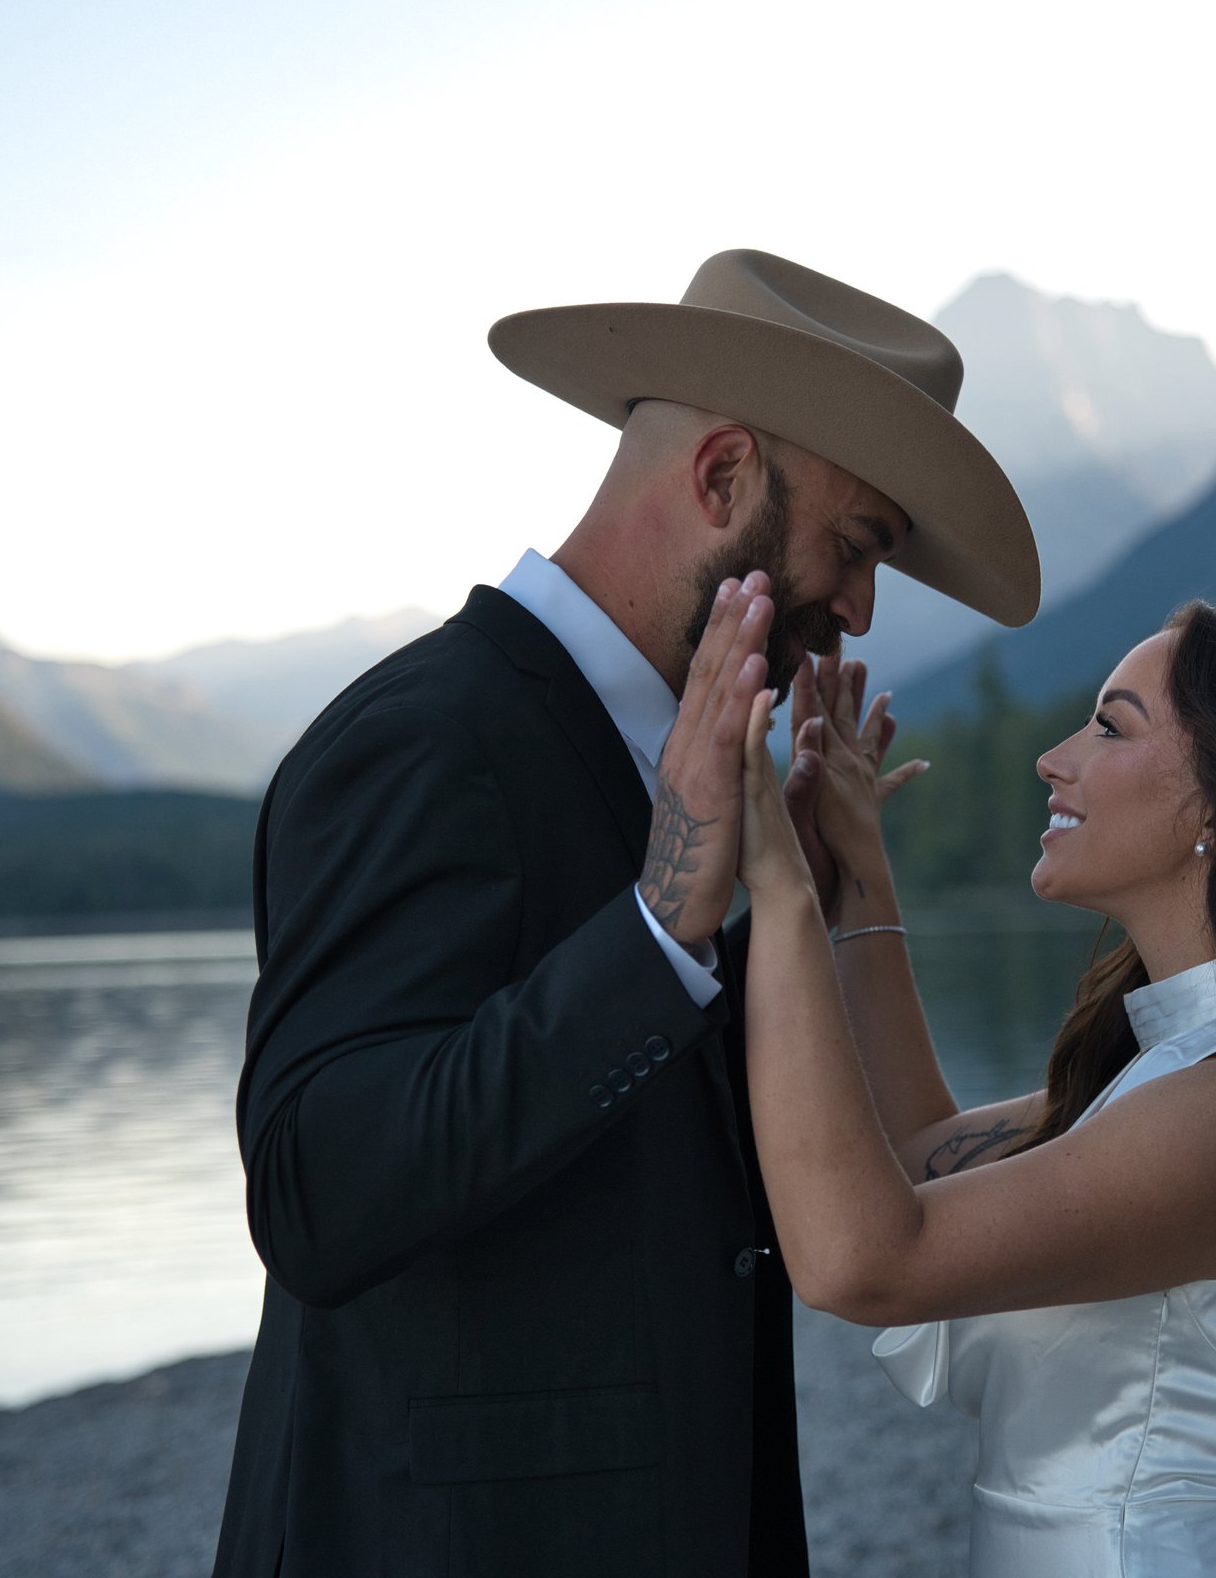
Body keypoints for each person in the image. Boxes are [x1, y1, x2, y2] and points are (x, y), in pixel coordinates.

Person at [210, 249, 1039, 1578]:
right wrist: (660, 925)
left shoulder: (703, 777)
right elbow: (320, 1191)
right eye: (859, 543)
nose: (866, 606)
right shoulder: (426, 738)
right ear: (722, 477)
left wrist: (804, 920)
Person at [727, 605, 1216, 1577]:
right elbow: (914, 1156)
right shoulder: (1178, 1077)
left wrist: (778, 882)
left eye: (1109, 725)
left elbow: (861, 1261)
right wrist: (852, 868)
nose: (1052, 757)